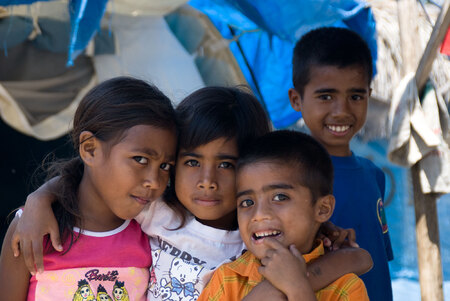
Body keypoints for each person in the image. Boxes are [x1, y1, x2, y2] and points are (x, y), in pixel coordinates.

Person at [11, 86, 371, 301]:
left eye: (227, 165)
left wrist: (329, 237)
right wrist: (40, 198)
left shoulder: (255, 240)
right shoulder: (156, 211)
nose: (207, 180)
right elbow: (95, 183)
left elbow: (360, 260)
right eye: (191, 162)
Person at [0, 77, 178, 300]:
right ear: (90, 149)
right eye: (140, 159)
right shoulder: (33, 230)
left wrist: (41, 197)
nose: (155, 181)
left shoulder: (156, 233)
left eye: (164, 166)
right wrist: (38, 199)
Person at [198, 130, 369, 301]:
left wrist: (298, 288)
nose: (259, 215)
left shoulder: (346, 288)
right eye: (247, 203)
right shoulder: (227, 280)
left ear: (323, 209)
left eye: (280, 197)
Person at [288, 27, 394, 300]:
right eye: (326, 96)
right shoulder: (289, 176)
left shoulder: (374, 176)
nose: (342, 110)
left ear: (369, 96)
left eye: (355, 96)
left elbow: (378, 259)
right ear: (296, 99)